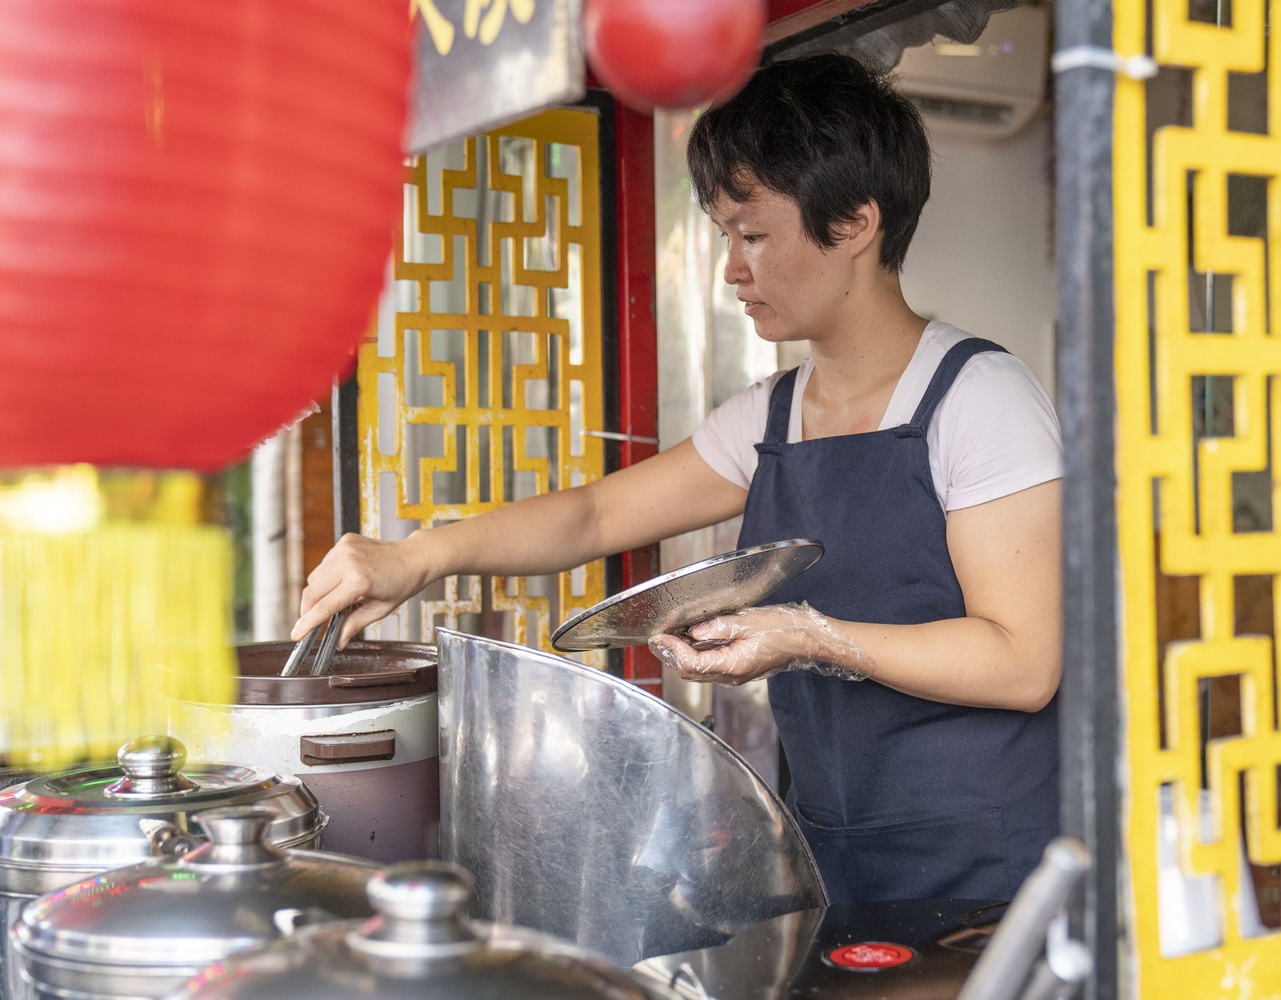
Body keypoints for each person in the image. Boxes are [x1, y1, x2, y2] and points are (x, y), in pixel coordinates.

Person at [294, 51, 1063, 905]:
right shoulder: (773, 413)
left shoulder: (979, 398)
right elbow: (591, 516)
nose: (732, 268)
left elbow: (1023, 662)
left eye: (754, 234)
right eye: (725, 235)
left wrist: (810, 635)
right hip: (837, 849)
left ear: (854, 224)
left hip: (990, 869)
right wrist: (417, 558)